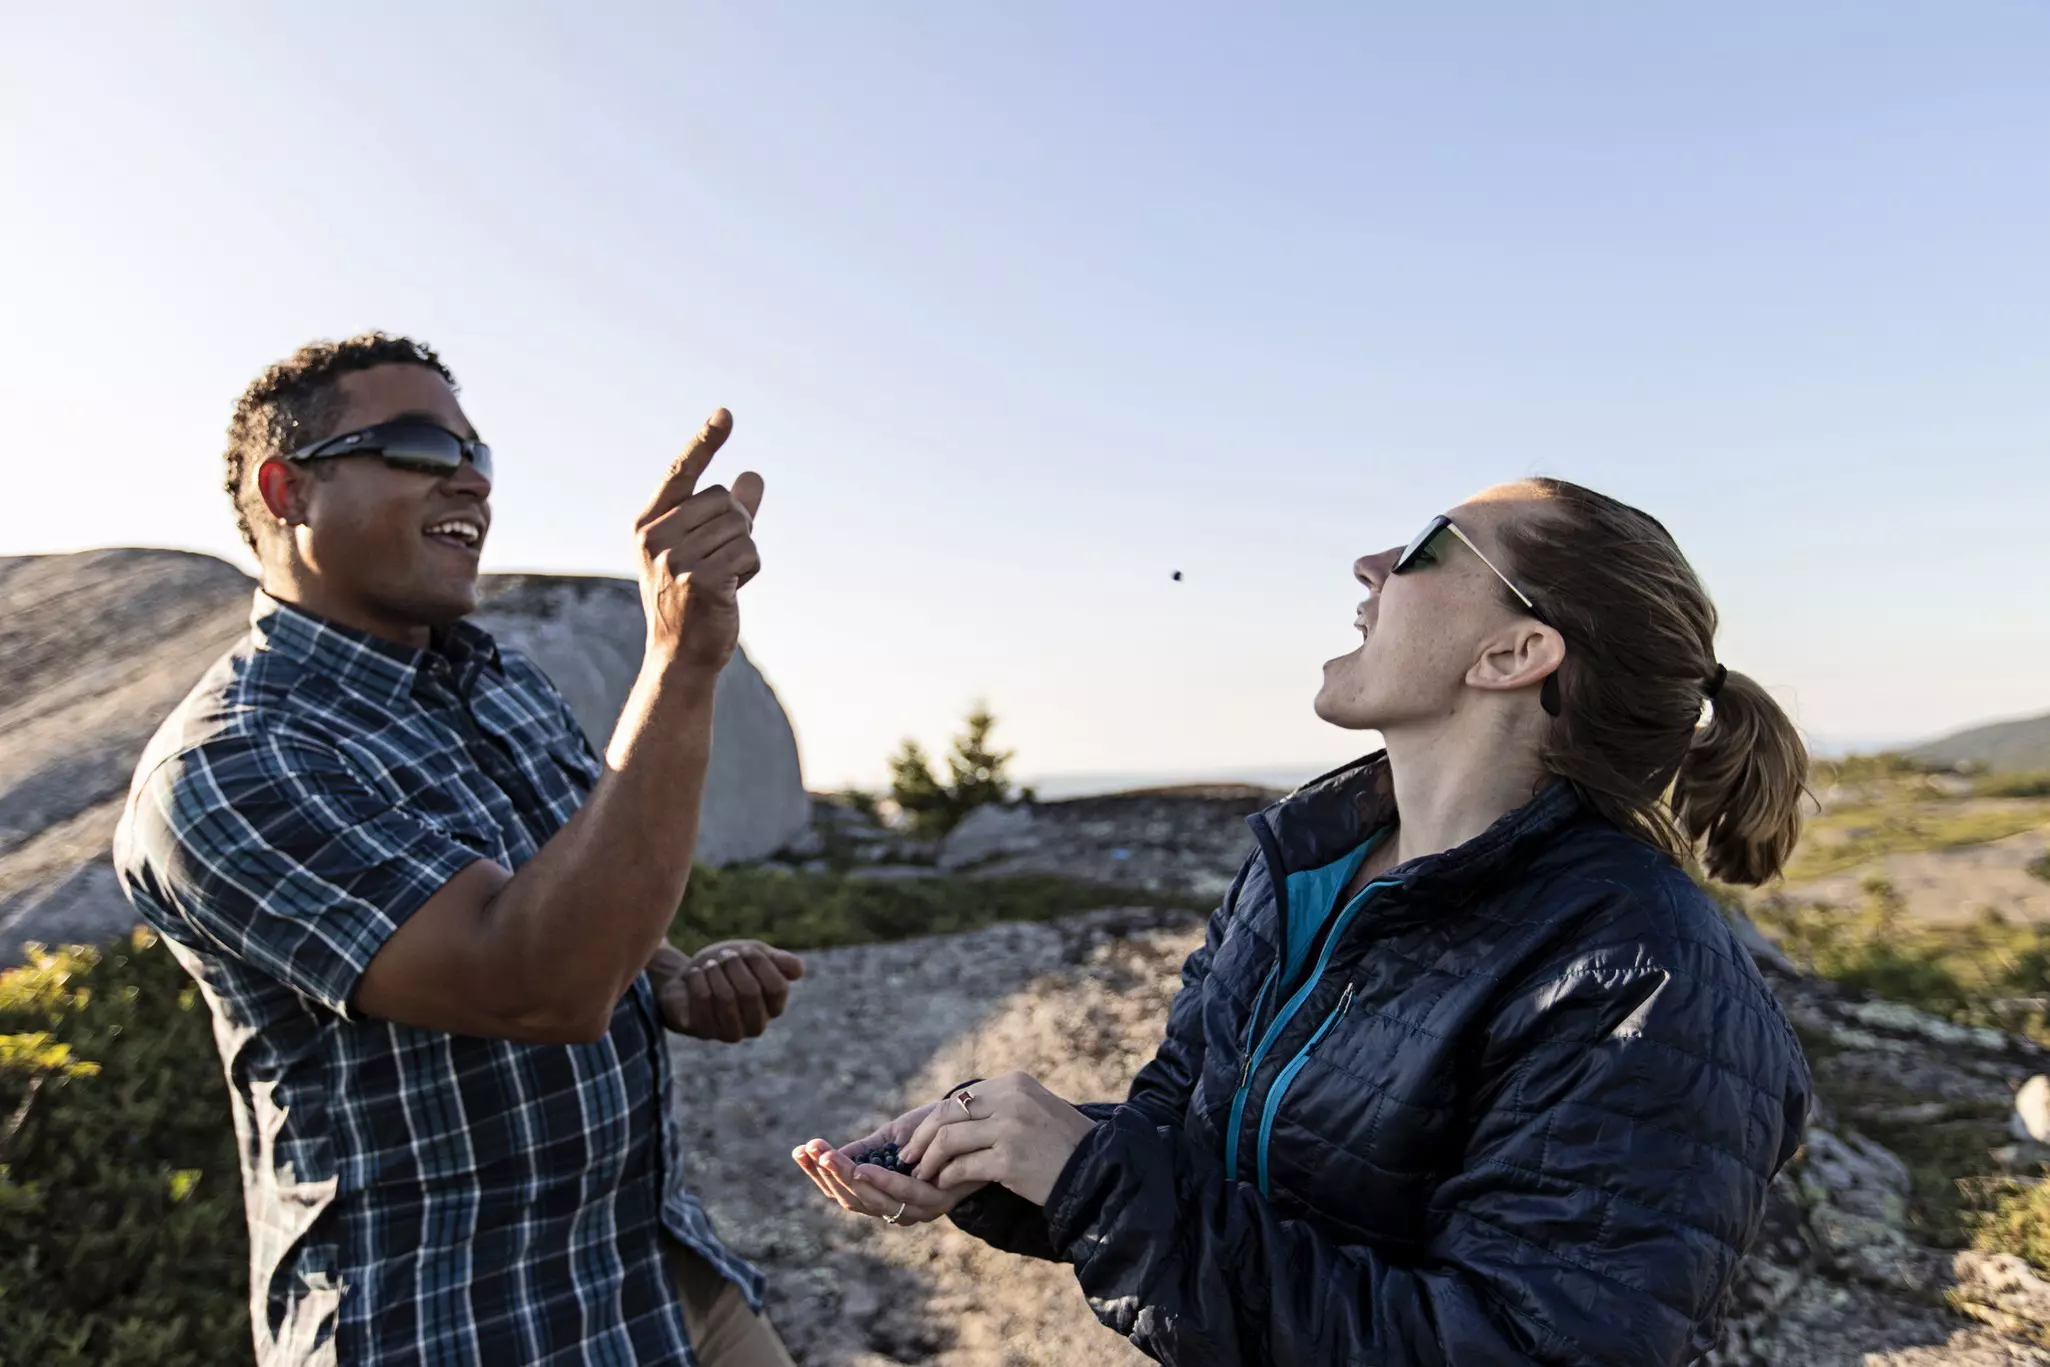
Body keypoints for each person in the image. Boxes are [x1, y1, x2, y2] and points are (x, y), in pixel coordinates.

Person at [796, 478, 1813, 1365]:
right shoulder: (1306, 864)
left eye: (1426, 547)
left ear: (1514, 651)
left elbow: (1521, 1344)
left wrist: (1090, 1179)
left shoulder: (1641, 974)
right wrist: (1000, 1153)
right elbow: (1184, 1137)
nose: (1369, 564)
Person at [115, 333, 803, 1366]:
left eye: (477, 452)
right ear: (287, 490)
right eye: (421, 448)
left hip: (656, 1274)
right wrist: (681, 658)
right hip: (458, 1323)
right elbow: (534, 984)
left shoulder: (499, 681)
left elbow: (566, 885)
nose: (471, 478)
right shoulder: (232, 765)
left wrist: (668, 975)